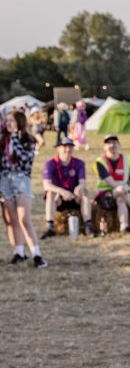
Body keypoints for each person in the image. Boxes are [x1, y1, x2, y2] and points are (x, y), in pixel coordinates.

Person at [1, 111, 47, 266]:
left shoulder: (27, 140)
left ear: (19, 122)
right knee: (12, 219)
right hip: (5, 180)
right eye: (6, 121)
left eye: (11, 121)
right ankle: (19, 252)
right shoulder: (3, 140)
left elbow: (24, 162)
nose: (8, 123)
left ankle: (37, 254)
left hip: (21, 179)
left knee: (24, 218)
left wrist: (15, 138)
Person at [41, 136, 93, 239]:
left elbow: (82, 182)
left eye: (70, 147)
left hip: (74, 196)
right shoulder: (50, 164)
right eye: (64, 147)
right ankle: (50, 227)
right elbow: (46, 185)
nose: (67, 150)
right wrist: (61, 191)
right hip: (59, 198)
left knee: (84, 192)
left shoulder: (79, 163)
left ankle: (88, 225)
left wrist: (79, 188)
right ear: (58, 149)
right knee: (50, 193)